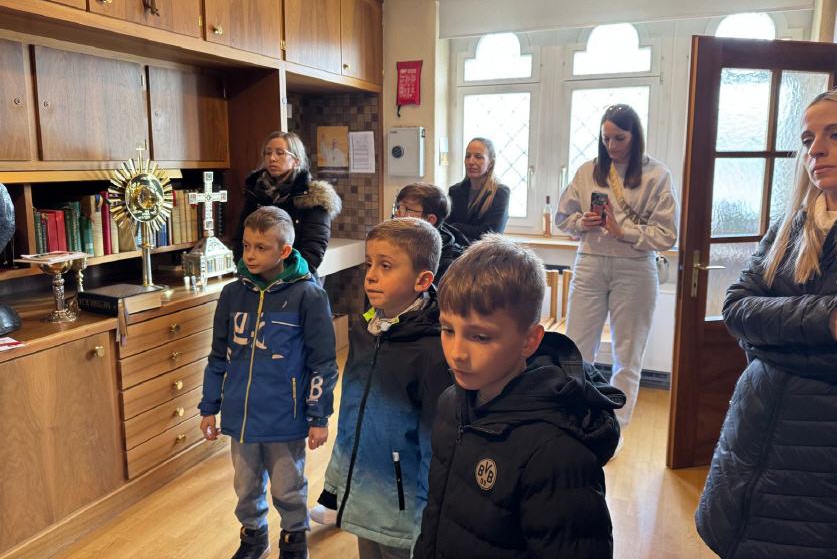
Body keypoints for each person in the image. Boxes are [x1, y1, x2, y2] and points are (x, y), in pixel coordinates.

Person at [695, 85, 837, 557]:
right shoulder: (790, 226)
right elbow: (737, 310)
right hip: (752, 434)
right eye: (807, 139)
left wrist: (771, 340)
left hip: (828, 451)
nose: (816, 150)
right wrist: (828, 320)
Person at [413, 235, 625, 559]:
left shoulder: (555, 452)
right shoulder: (450, 403)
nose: (456, 353)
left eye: (480, 336)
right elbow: (437, 514)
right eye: (448, 330)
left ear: (529, 340)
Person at [199, 206, 338, 559]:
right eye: (246, 246)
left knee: (288, 487)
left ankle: (294, 539)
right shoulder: (232, 294)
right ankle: (253, 537)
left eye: (261, 247)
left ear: (284, 250)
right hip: (241, 417)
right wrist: (209, 407)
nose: (250, 255)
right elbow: (217, 357)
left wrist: (318, 416)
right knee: (245, 486)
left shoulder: (308, 296)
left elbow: (323, 363)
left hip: (285, 417)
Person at [312, 217, 453, 558]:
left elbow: (434, 443)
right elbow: (352, 417)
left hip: (401, 504)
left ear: (422, 280)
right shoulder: (366, 330)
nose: (371, 276)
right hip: (361, 490)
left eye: (386, 266)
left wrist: (427, 518)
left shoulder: (433, 350)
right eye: (369, 264)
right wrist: (337, 483)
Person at [555, 104, 677, 438]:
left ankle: (614, 430)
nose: (611, 145)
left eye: (619, 138)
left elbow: (667, 235)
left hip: (636, 267)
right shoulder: (588, 171)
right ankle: (574, 420)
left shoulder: (657, 174)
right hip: (590, 261)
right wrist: (582, 221)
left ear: (635, 136)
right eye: (605, 138)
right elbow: (562, 218)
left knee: (628, 353)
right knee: (577, 347)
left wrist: (625, 232)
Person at [234, 131, 342, 274]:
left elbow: (313, 250)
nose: (272, 158)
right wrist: (248, 273)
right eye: (268, 153)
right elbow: (240, 240)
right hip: (254, 277)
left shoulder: (313, 197)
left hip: (297, 278)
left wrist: (284, 278)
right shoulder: (255, 192)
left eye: (280, 153)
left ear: (296, 160)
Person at [393, 182, 470, 283]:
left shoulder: (448, 263)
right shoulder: (396, 242)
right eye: (398, 207)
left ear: (430, 220)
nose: (397, 213)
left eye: (406, 209)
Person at [447, 137, 510, 243]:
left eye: (478, 157)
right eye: (468, 156)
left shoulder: (500, 193)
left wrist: (456, 226)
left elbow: (491, 233)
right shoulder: (454, 191)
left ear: (490, 163)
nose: (471, 161)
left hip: (484, 252)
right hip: (455, 251)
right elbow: (446, 228)